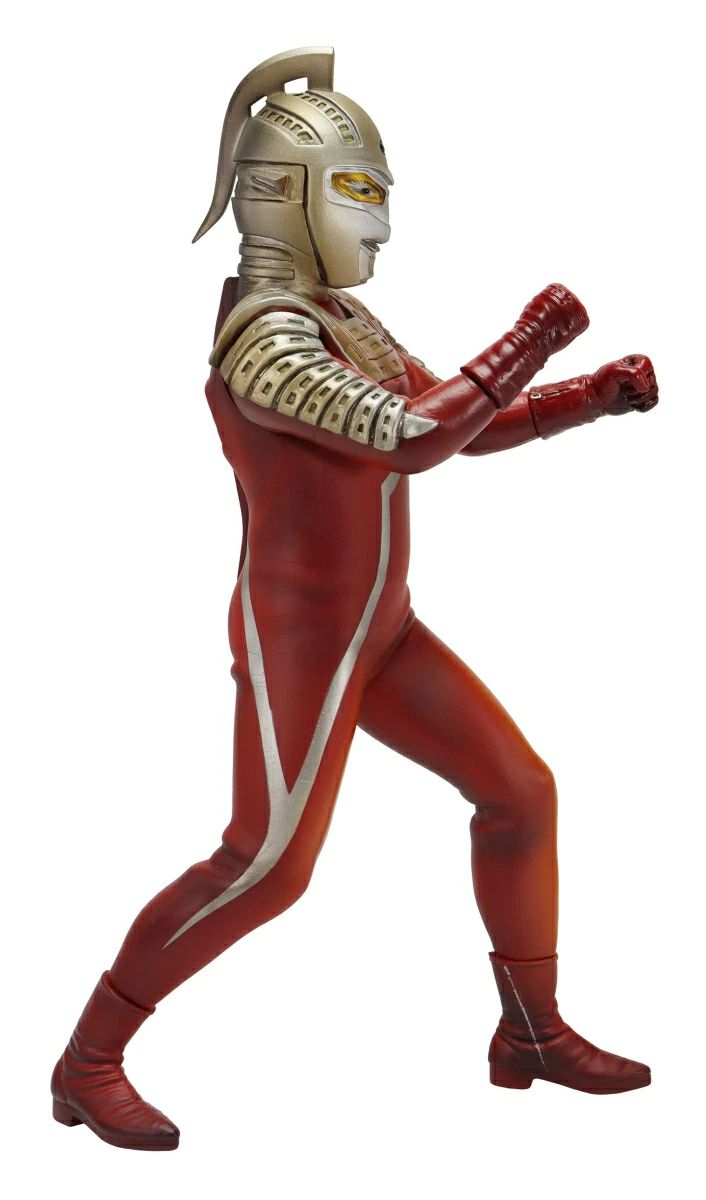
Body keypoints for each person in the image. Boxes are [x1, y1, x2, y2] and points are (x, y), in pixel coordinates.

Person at [51, 47, 658, 1151]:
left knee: (520, 793)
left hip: (382, 631)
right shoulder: (265, 337)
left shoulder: (333, 316)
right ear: (287, 195)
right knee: (266, 866)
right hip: (305, 643)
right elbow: (416, 436)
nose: (378, 224)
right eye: (360, 192)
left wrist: (589, 395)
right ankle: (88, 1062)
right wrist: (534, 338)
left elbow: (458, 426)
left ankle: (529, 1032)